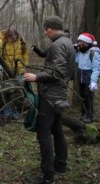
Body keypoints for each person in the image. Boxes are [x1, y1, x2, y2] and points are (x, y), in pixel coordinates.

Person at [24, 15, 76, 184]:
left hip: (50, 97)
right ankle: (60, 165)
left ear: (52, 28)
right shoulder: (68, 43)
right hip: (59, 95)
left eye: (47, 29)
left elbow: (59, 72)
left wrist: (36, 76)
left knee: (44, 135)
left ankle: (47, 176)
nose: (46, 33)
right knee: (57, 131)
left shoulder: (59, 44)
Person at [0, 26, 29, 121]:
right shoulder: (1, 42)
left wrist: (25, 65)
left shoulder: (21, 41)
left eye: (14, 36)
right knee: (7, 92)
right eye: (11, 37)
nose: (13, 39)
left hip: (20, 71)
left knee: (18, 92)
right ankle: (6, 112)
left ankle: (16, 112)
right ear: (7, 35)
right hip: (7, 72)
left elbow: (25, 53)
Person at [75, 33, 100, 123]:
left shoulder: (93, 52)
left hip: (89, 76)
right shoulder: (80, 50)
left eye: (81, 41)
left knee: (88, 96)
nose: (79, 43)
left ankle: (89, 115)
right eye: (79, 41)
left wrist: (93, 81)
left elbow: (96, 68)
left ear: (87, 42)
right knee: (82, 95)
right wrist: (75, 50)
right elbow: (76, 60)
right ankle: (83, 113)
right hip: (81, 75)